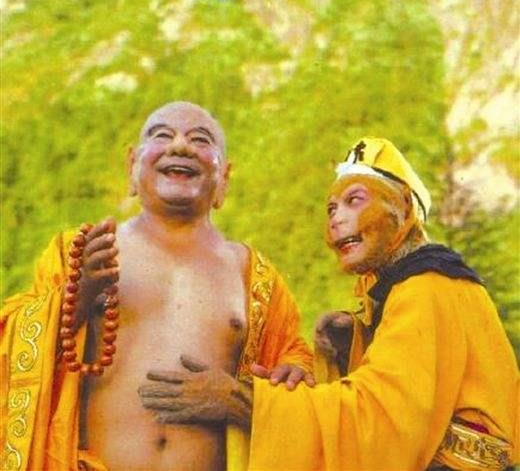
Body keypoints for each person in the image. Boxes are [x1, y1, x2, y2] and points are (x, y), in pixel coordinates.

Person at [151, 137, 518, 470]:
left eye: (354, 200)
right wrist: (351, 347)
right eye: (330, 208)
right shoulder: (423, 285)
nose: (336, 218)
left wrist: (240, 400)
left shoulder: (426, 288)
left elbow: (379, 424)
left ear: (404, 207)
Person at [0, 102, 313, 471]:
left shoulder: (255, 277)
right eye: (162, 135)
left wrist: (245, 397)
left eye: (201, 140)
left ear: (224, 179)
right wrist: (77, 297)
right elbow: (11, 351)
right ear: (132, 166)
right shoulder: (83, 253)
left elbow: (295, 372)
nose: (180, 146)